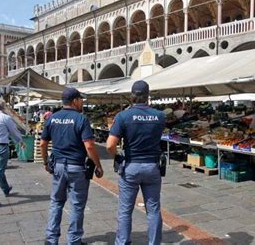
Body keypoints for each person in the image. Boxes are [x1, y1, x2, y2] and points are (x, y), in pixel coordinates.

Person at [41, 87, 104, 245]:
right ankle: (74, 241)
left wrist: (45, 162)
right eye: (81, 99)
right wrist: (98, 165)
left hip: (58, 166)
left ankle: (51, 239)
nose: (82, 102)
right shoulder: (81, 119)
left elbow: (43, 143)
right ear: (75, 101)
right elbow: (89, 146)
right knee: (76, 205)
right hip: (77, 167)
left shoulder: (52, 118)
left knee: (56, 202)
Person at [106, 80, 166, 245]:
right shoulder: (160, 116)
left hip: (131, 165)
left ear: (132, 95)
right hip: (152, 166)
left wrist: (117, 157)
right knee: (153, 210)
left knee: (125, 210)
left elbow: (110, 144)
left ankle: (123, 242)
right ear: (148, 95)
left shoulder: (123, 116)